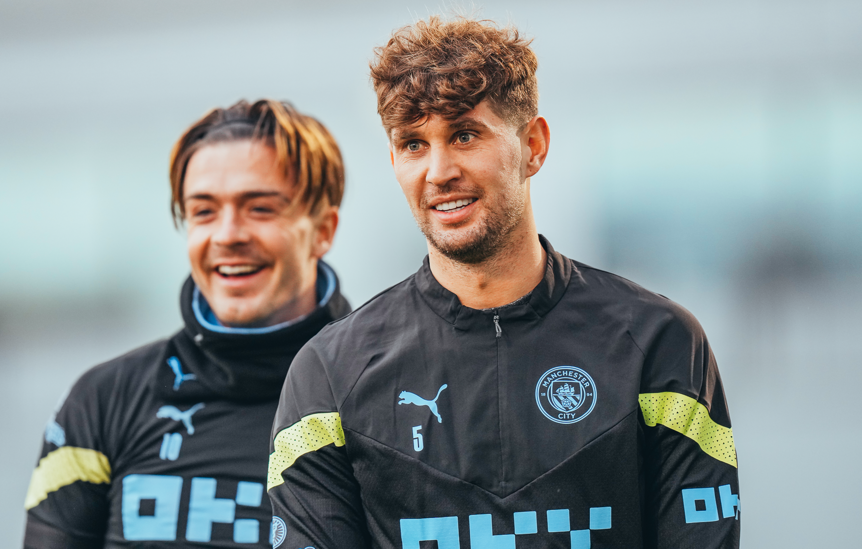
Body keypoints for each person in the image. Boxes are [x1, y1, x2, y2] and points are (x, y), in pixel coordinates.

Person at [266, 16, 741, 549]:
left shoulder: (659, 343)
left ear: (533, 145)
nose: (438, 171)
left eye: (465, 135)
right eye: (414, 144)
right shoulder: (328, 373)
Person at [23, 99, 351, 548]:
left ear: (323, 231)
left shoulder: (382, 391)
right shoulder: (102, 400)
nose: (228, 235)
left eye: (260, 208)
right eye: (203, 211)